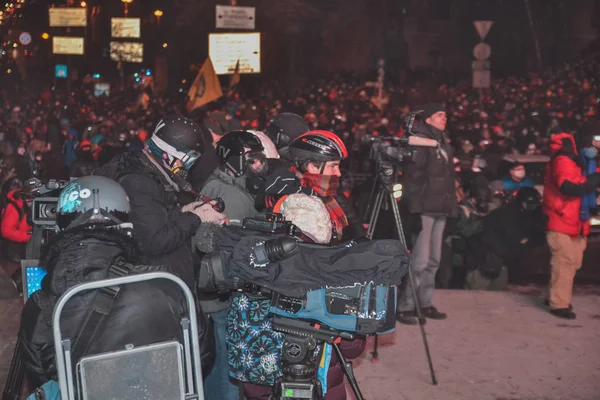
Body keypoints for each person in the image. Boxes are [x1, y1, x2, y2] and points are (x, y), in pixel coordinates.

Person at [19, 176, 215, 388]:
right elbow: (200, 357)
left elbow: (42, 378)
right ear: (127, 226)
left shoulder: (42, 304)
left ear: (60, 230)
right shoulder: (167, 284)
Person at [95, 115, 226, 287]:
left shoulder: (150, 172)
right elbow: (153, 242)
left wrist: (185, 211)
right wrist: (196, 217)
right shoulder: (140, 182)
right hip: (154, 286)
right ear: (169, 154)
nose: (191, 165)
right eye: (190, 157)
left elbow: (154, 217)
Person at [198, 130, 267, 400]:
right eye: (252, 158)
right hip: (225, 297)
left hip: (217, 294)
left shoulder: (224, 185)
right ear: (234, 160)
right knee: (231, 369)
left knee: (220, 365)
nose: (258, 165)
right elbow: (238, 248)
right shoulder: (230, 195)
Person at [397, 103, 457, 325]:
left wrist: (452, 207)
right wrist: (413, 207)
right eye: (440, 115)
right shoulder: (421, 141)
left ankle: (424, 303)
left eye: (445, 114)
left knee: (434, 260)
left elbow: (449, 179)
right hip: (424, 209)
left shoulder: (443, 142)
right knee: (420, 261)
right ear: (429, 119)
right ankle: (406, 306)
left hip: (440, 208)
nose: (444, 118)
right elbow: (412, 178)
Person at [267, 130, 366, 241]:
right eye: (333, 166)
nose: (338, 173)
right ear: (312, 167)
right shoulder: (297, 201)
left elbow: (355, 230)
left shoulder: (327, 194)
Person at [542, 132, 600, 319]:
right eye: (596, 139)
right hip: (561, 219)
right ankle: (559, 304)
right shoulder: (564, 160)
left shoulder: (581, 161)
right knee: (565, 262)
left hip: (576, 220)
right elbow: (569, 187)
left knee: (573, 262)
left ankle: (552, 295)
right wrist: (594, 179)